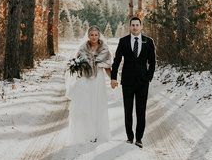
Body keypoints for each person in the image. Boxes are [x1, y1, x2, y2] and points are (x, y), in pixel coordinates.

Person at [110, 15, 156, 148]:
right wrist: (113, 77)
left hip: (143, 82)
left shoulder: (149, 41)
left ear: (141, 26)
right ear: (129, 27)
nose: (135, 27)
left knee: (141, 111)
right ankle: (130, 137)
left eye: (137, 25)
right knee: (128, 110)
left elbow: (152, 62)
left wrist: (149, 77)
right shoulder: (123, 41)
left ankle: (139, 138)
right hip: (128, 81)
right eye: (133, 25)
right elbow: (117, 60)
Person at [65, 26, 112, 145]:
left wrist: (112, 79)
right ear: (88, 35)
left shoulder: (104, 49)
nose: (94, 37)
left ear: (99, 35)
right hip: (85, 80)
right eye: (92, 35)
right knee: (86, 105)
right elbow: (77, 66)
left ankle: (97, 132)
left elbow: (107, 66)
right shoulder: (82, 49)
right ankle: (87, 133)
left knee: (97, 104)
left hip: (98, 80)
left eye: (96, 35)